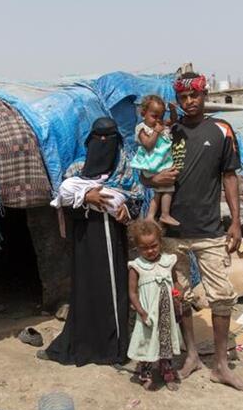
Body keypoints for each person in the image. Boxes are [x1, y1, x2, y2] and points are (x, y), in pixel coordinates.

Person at [141, 71, 243, 393]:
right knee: (179, 295)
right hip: (172, 230)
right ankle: (191, 354)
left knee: (221, 296)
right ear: (177, 100)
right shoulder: (168, 131)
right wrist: (154, 179)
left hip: (209, 230)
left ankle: (221, 364)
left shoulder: (221, 129)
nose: (189, 102)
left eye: (195, 96)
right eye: (183, 97)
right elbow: (146, 174)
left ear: (204, 96)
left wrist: (234, 221)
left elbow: (229, 176)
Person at [44, 117, 132, 367]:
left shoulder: (123, 170)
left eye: (109, 139)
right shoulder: (76, 170)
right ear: (90, 141)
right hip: (83, 239)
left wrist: (127, 209)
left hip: (112, 240)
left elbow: (135, 199)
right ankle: (81, 344)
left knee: (113, 291)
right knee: (85, 290)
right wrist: (87, 198)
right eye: (98, 139)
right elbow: (63, 203)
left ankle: (113, 349)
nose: (103, 144)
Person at [126, 219, 183, 390]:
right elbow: (132, 293)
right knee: (147, 342)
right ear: (137, 247)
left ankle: (167, 372)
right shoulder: (136, 267)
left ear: (160, 242)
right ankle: (146, 374)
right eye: (144, 248)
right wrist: (141, 312)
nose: (150, 251)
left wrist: (178, 293)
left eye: (154, 246)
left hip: (166, 312)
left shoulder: (168, 261)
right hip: (148, 314)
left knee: (165, 342)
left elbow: (175, 282)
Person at [129, 95, 180, 226]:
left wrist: (173, 110)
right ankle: (165, 214)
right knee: (168, 188)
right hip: (151, 164)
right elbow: (148, 145)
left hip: (160, 163)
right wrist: (157, 132)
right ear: (143, 114)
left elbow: (173, 120)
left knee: (159, 192)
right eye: (154, 116)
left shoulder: (160, 125)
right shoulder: (142, 128)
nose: (158, 120)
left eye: (161, 116)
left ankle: (151, 216)